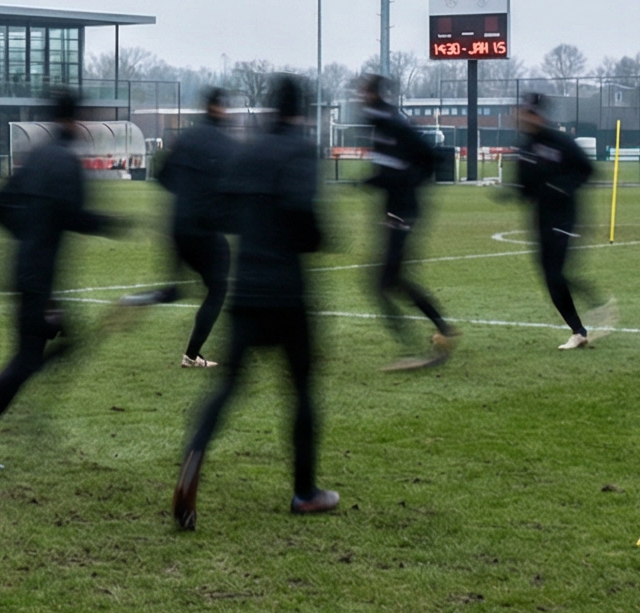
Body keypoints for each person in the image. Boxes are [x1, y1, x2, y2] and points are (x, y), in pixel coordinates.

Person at [174, 75, 336, 529]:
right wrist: (316, 238)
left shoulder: (247, 150)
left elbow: (216, 211)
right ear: (300, 111)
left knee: (226, 387)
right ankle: (305, 492)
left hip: (245, 287)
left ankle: (194, 456)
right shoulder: (299, 151)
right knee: (302, 390)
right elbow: (304, 216)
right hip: (286, 291)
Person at [0, 88, 123, 471]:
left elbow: (2, 204)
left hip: (29, 271)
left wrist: (28, 238)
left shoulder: (36, 157)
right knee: (27, 361)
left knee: (54, 347)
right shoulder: (65, 163)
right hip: (38, 278)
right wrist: (113, 224)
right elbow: (74, 217)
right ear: (71, 121)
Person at [119, 86, 235, 367]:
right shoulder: (226, 143)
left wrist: (187, 195)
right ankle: (192, 355)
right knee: (217, 289)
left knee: (175, 289)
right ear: (218, 108)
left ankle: (138, 299)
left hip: (176, 226)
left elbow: (162, 177)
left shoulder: (186, 138)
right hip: (204, 228)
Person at [358, 75, 457, 370]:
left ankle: (419, 343)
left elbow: (432, 157)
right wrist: (372, 182)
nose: (359, 97)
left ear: (374, 94)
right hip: (393, 212)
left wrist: (407, 186)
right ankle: (442, 330)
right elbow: (389, 169)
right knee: (390, 281)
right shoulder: (378, 126)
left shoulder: (395, 124)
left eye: (363, 92)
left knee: (384, 282)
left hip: (404, 212)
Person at [509, 93, 604, 348]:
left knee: (556, 273)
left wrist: (562, 188)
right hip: (540, 219)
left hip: (566, 216)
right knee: (551, 277)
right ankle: (579, 330)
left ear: (539, 115)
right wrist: (514, 191)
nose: (522, 117)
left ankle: (584, 323)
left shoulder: (560, 142)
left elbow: (588, 170)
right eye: (521, 112)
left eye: (528, 112)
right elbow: (524, 186)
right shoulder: (525, 148)